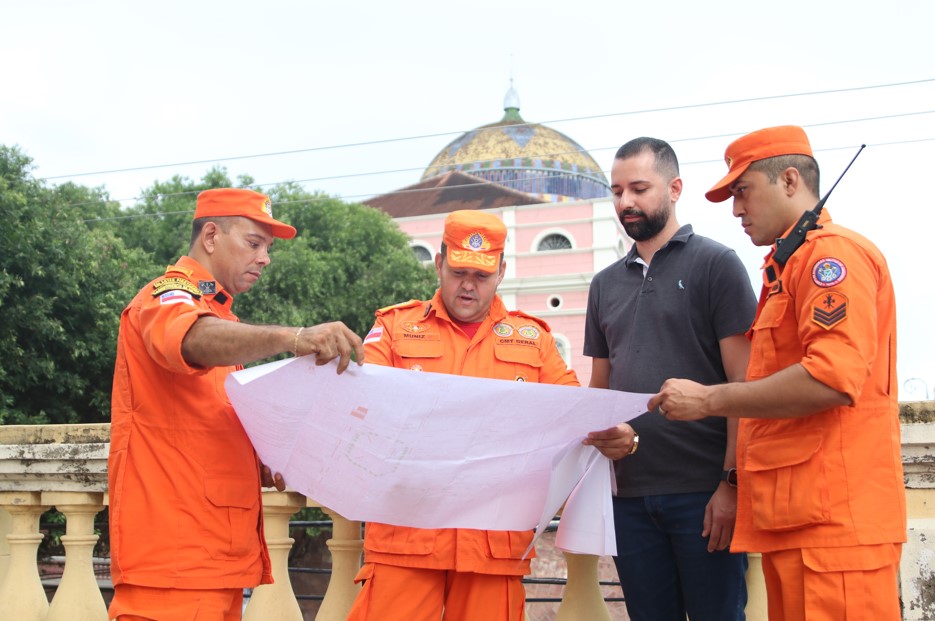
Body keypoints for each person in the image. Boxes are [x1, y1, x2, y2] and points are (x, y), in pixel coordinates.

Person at [652, 125, 906, 620]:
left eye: (743, 191)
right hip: (800, 520)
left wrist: (709, 400)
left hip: (834, 529)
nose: (736, 210)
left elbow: (831, 377)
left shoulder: (829, 257)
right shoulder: (788, 267)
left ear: (789, 181)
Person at [107, 188, 364, 621]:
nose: (265, 258)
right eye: (253, 243)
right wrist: (294, 338)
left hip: (214, 562)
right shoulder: (167, 295)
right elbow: (190, 339)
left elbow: (203, 423)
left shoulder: (220, 318)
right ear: (211, 236)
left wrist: (266, 453)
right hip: (173, 562)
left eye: (268, 248)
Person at [346, 209, 585, 621]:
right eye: (458, 272)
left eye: (482, 276)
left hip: (492, 542)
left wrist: (615, 432)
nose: (468, 286)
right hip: (407, 534)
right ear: (439, 264)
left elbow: (573, 413)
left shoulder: (535, 342)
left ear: (502, 272)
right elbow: (357, 404)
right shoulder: (394, 328)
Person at [581, 137, 756, 621]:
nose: (626, 202)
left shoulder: (716, 265)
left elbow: (743, 383)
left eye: (639, 188)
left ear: (675, 188)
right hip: (628, 499)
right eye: (617, 191)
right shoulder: (604, 285)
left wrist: (731, 485)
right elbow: (601, 390)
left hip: (704, 495)